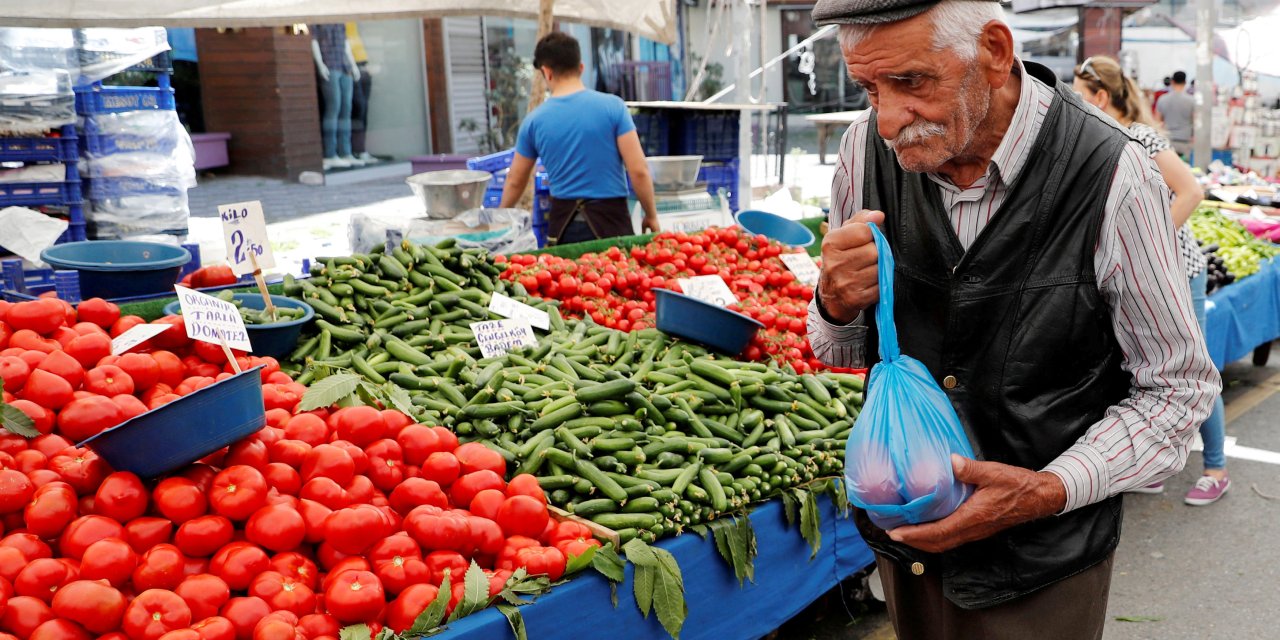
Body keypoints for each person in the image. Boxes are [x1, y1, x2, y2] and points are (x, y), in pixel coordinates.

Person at [807, 0, 1221, 637]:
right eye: (869, 88)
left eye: (912, 82)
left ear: (995, 53)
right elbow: (839, 354)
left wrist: (1047, 489)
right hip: (906, 547)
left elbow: (1178, 389)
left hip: (1043, 568)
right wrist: (834, 302)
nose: (888, 119)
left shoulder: (1113, 173)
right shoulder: (863, 151)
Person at [1074, 56, 1229, 506]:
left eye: (1082, 98)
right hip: (1136, 279)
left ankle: (1216, 468)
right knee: (1141, 368)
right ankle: (1156, 466)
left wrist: (1148, 245)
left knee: (1190, 370)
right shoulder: (1098, 142)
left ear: (1102, 98)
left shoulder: (1140, 138)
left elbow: (1192, 191)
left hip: (1181, 273)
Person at [500, 32, 659, 244]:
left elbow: (515, 181)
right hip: (612, 225)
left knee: (570, 276)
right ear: (581, 68)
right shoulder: (614, 107)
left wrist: (499, 219)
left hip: (564, 230)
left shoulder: (533, 121)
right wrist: (651, 214)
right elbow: (638, 171)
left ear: (546, 72)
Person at [311, 23, 362, 170]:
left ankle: (345, 152)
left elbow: (345, 44)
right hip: (329, 65)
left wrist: (353, 65)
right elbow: (313, 41)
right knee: (334, 107)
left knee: (346, 109)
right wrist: (320, 64)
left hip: (344, 66)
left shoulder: (340, 20)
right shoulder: (317, 20)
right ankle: (330, 153)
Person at [1157, 70, 1195, 157]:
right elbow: (1195, 120)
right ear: (1185, 82)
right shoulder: (1191, 101)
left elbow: (1157, 121)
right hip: (1185, 140)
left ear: (1172, 82)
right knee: (1184, 167)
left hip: (1167, 140)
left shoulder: (1162, 99)